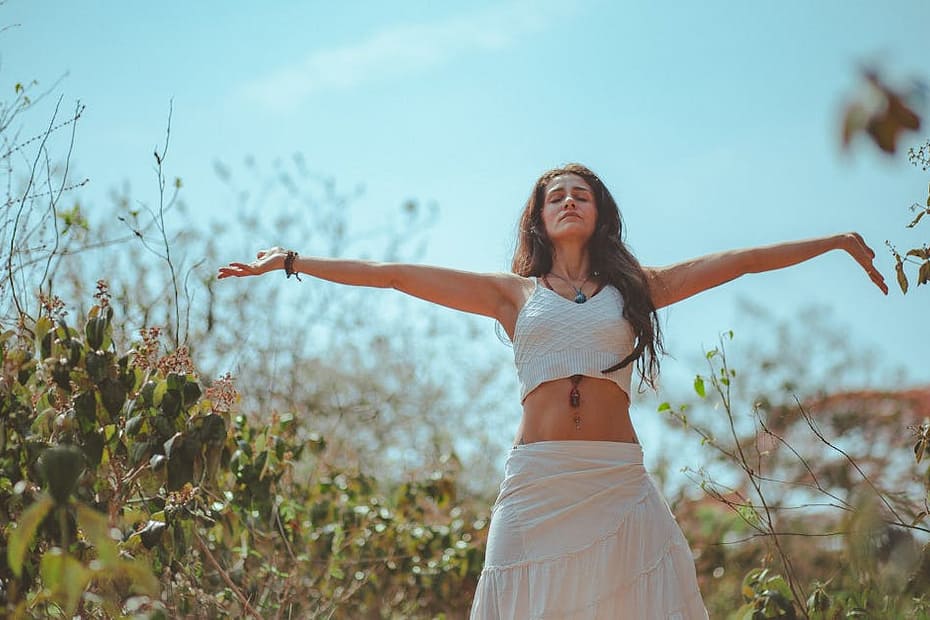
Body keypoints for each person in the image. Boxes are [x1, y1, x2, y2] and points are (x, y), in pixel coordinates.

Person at [217, 163, 887, 618]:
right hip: (537, 482)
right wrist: (294, 262)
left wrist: (832, 241)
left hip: (615, 481)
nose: (569, 201)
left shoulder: (637, 287)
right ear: (539, 216)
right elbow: (393, 274)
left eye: (582, 194)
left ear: (600, 214)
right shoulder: (512, 295)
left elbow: (740, 261)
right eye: (556, 195)